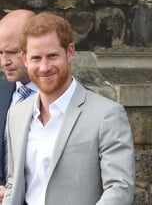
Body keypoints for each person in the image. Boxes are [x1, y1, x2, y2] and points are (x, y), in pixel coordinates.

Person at [3, 12, 135, 205]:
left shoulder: (107, 115)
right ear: (25, 59)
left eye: (52, 56)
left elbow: (120, 189)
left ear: (70, 52)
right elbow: (14, 184)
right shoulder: (16, 114)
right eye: (36, 58)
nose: (44, 67)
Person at [0, 10, 37, 204]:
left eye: (12, 52)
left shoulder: (69, 100)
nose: (4, 62)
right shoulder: (1, 92)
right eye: (0, 52)